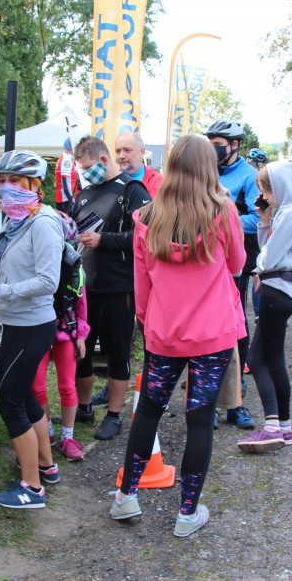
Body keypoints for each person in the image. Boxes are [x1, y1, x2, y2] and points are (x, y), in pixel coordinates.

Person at [109, 135, 245, 537]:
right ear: (209, 168)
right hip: (213, 334)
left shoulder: (146, 219)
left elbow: (142, 286)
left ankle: (127, 496)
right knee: (199, 419)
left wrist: (151, 323)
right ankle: (187, 514)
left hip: (164, 333)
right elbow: (237, 264)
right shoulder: (223, 212)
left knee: (148, 410)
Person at [0, 150, 65, 509]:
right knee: (22, 397)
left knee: (10, 402)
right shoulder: (17, 219)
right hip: (18, 322)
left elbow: (47, 281)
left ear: (35, 185)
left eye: (15, 181)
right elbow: (3, 257)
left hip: (32, 324)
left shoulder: (44, 223)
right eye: (2, 182)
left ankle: (31, 488)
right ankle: (46, 467)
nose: (7, 189)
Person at [71, 136, 151, 440]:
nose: (84, 173)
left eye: (88, 167)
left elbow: (146, 237)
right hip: (85, 288)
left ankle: (115, 415)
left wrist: (104, 240)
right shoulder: (83, 194)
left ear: (103, 161)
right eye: (80, 169)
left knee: (117, 353)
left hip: (120, 287)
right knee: (81, 352)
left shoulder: (132, 190)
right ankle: (84, 407)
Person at [238, 162, 292, 452]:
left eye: (267, 190)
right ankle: (284, 426)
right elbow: (267, 247)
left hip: (275, 290)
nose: (265, 196)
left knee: (258, 361)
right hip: (279, 289)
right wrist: (264, 219)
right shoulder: (289, 214)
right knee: (272, 359)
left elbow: (268, 256)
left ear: (281, 187)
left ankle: (271, 427)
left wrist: (258, 270)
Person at [205, 118, 259, 430]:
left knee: (236, 330)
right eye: (209, 144)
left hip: (235, 265)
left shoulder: (250, 176)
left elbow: (259, 217)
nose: (212, 150)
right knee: (207, 332)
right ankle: (207, 401)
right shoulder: (204, 171)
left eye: (218, 145)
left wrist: (223, 221)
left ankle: (236, 404)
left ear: (235, 145)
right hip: (203, 264)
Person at [33, 212, 90, 462]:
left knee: (67, 386)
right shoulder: (32, 259)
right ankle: (46, 431)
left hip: (66, 330)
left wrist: (80, 335)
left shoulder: (73, 264)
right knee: (36, 386)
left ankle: (68, 436)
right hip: (38, 328)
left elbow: (81, 301)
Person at [115, 130, 164, 197]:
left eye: (127, 150)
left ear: (142, 152)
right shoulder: (110, 181)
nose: (121, 156)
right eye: (118, 151)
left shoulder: (157, 182)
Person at [54, 137, 80, 215]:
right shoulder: (66, 160)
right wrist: (71, 200)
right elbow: (65, 182)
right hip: (65, 200)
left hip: (64, 198)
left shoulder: (64, 159)